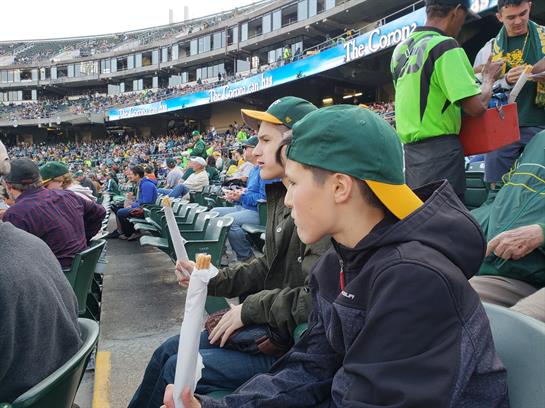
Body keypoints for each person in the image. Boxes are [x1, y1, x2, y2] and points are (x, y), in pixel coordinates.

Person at [164, 104, 509, 408]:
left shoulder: (414, 280)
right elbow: (310, 367)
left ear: (340, 187)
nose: (287, 200)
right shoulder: (338, 263)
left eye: (295, 184)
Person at [129, 97, 326, 408]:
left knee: (174, 367)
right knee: (167, 350)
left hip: (288, 347)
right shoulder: (280, 193)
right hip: (269, 326)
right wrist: (212, 279)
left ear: (295, 143)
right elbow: (266, 266)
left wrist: (247, 310)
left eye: (264, 140)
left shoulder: (318, 209)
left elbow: (316, 300)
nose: (255, 151)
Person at [391, 0, 502, 199]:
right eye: (465, 17)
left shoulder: (400, 50)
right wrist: (488, 79)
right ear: (457, 11)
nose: (462, 24)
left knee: (420, 219)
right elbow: (476, 107)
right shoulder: (446, 46)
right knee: (448, 222)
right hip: (441, 155)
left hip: (411, 156)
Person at [0, 150, 82, 403]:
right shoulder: (33, 241)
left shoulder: (18, 216)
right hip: (57, 389)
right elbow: (99, 214)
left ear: (8, 186)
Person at [471, 129, 545, 322]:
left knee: (517, 326)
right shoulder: (538, 140)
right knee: (446, 301)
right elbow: (500, 196)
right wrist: (466, 224)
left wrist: (542, 232)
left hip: (530, 269)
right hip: (513, 271)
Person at [3, 158, 106, 270]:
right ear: (39, 179)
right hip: (79, 274)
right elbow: (100, 212)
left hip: (52, 279)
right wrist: (84, 238)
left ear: (8, 185)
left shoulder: (15, 214)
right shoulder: (67, 195)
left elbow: (14, 260)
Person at [485, 0, 545, 186]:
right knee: (496, 185)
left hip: (540, 124)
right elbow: (478, 86)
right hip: (502, 128)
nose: (518, 21)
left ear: (530, 7)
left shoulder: (543, 35)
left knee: (538, 187)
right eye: (511, 17)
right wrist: (505, 81)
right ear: (499, 17)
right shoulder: (490, 47)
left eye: (523, 13)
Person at [211, 136, 264, 262]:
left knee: (229, 221)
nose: (243, 151)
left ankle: (247, 257)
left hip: (258, 212)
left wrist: (241, 196)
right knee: (213, 213)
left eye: (246, 148)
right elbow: (250, 192)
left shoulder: (264, 170)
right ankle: (220, 253)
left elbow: (263, 198)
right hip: (245, 207)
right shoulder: (254, 169)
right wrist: (237, 195)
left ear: (256, 149)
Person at [107, 165, 157, 241]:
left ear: (137, 175)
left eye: (132, 174)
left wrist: (132, 205)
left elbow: (147, 202)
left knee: (120, 212)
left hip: (146, 211)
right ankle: (125, 231)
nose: (130, 176)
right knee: (117, 207)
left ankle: (130, 233)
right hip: (142, 207)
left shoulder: (146, 184)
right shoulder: (142, 183)